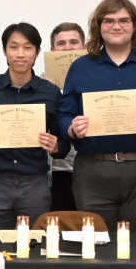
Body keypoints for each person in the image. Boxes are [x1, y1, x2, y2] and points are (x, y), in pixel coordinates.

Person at [59, 0, 136, 246]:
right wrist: (71, 128)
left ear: (135, 25)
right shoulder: (80, 67)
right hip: (93, 173)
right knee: (98, 248)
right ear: (98, 26)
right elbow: (64, 114)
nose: (117, 26)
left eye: (124, 20)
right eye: (109, 20)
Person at [0, 23, 68, 229]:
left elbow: (64, 143)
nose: (20, 54)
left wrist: (56, 147)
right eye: (14, 47)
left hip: (35, 184)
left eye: (28, 47)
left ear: (37, 52)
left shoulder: (50, 93)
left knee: (34, 247)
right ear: (5, 50)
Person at [45, 22, 84, 211]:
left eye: (74, 42)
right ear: (52, 50)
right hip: (58, 169)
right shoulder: (40, 85)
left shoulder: (96, 79)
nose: (68, 48)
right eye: (61, 43)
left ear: (84, 47)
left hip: (88, 166)